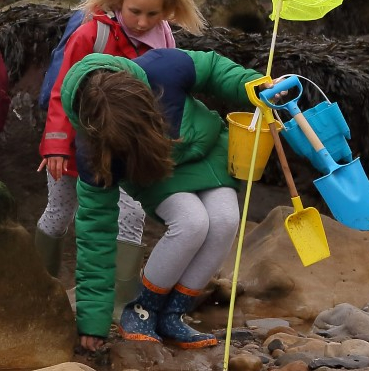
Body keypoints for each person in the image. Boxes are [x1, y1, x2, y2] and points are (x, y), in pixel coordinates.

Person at [36, 0, 204, 314]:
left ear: (169, 9)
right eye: (135, 12)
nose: (142, 22)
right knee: (59, 213)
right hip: (77, 145)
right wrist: (56, 146)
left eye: (153, 13)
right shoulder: (90, 34)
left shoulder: (165, 41)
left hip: (127, 150)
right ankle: (38, 286)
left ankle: (118, 303)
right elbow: (63, 91)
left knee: (131, 215)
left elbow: (167, 97)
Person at [62, 49, 266, 352]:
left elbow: (213, 69)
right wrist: (93, 322)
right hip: (155, 173)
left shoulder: (164, 68)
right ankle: (142, 310)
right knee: (191, 222)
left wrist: (256, 87)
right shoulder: (94, 151)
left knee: (224, 221)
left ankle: (174, 313)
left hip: (207, 152)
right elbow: (95, 235)